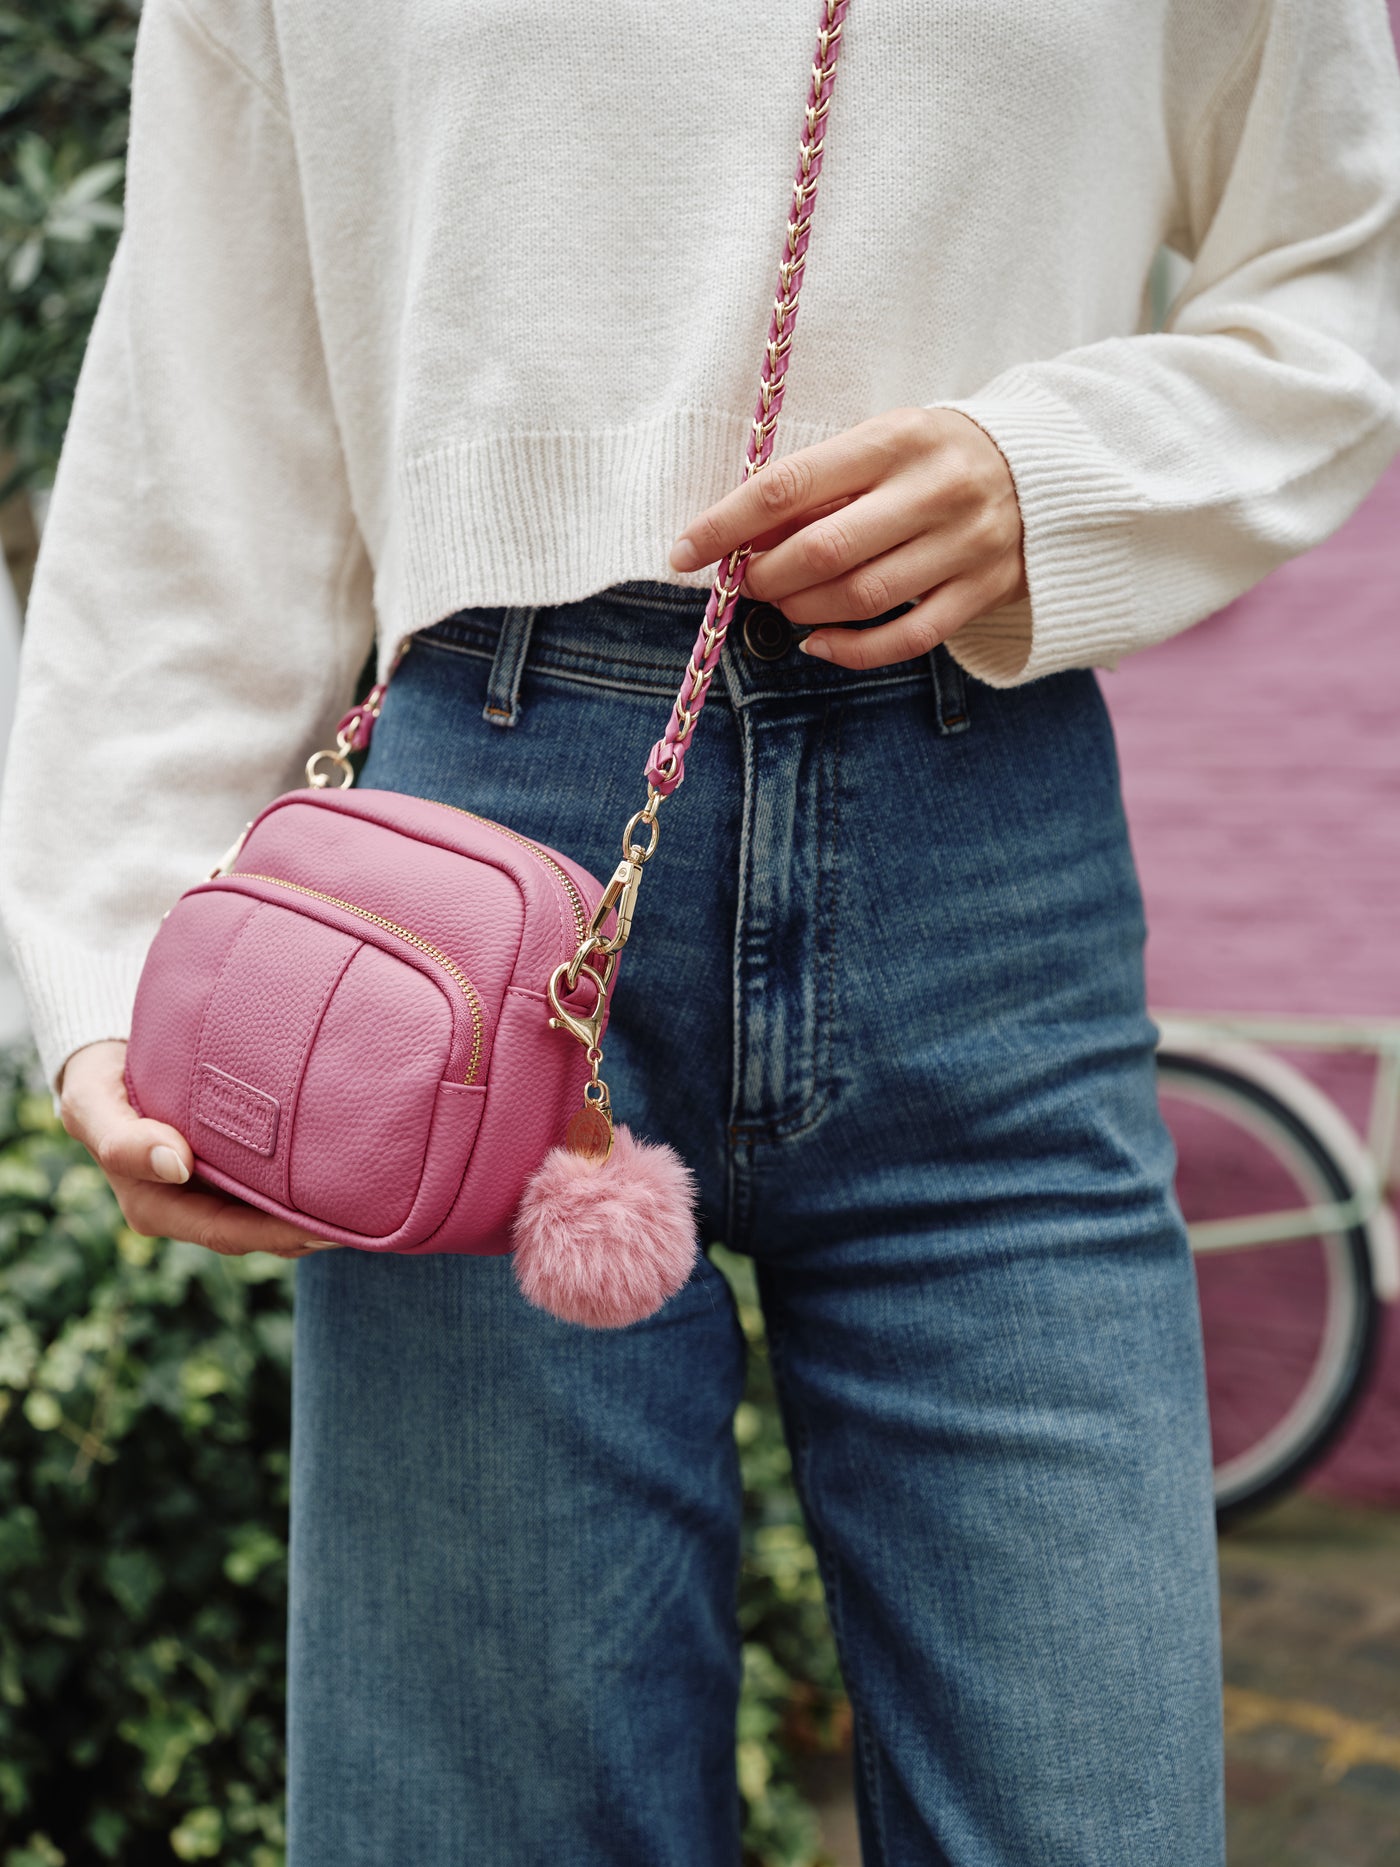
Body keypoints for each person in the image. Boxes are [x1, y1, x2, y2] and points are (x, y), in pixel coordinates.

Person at [4, 1, 1400, 1860]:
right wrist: (112, 960)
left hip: (983, 857)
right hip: (465, 897)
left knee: (1093, 1813)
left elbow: (1342, 261)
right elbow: (209, 392)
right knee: (498, 1818)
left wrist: (1058, 467)